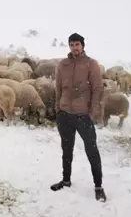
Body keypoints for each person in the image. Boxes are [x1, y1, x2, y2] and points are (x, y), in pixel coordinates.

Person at [50, 33, 107, 202]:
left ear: (82, 46)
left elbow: (98, 89)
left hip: (83, 115)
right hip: (64, 114)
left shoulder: (91, 64)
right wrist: (58, 109)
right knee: (66, 150)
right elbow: (58, 88)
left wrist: (92, 112)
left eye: (77, 44)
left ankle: (98, 186)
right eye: (72, 45)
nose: (74, 47)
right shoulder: (63, 64)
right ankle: (66, 180)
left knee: (92, 151)